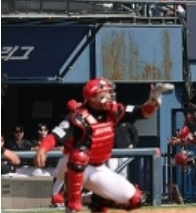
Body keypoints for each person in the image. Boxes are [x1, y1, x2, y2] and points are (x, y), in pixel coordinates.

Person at [34, 78, 173, 213]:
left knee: (136, 200)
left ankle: (92, 200)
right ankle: (73, 205)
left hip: (97, 167)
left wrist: (153, 102)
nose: (109, 95)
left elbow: (142, 112)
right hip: (71, 164)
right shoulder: (78, 117)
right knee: (79, 155)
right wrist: (43, 148)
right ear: (94, 97)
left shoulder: (113, 111)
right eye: (105, 93)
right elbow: (56, 135)